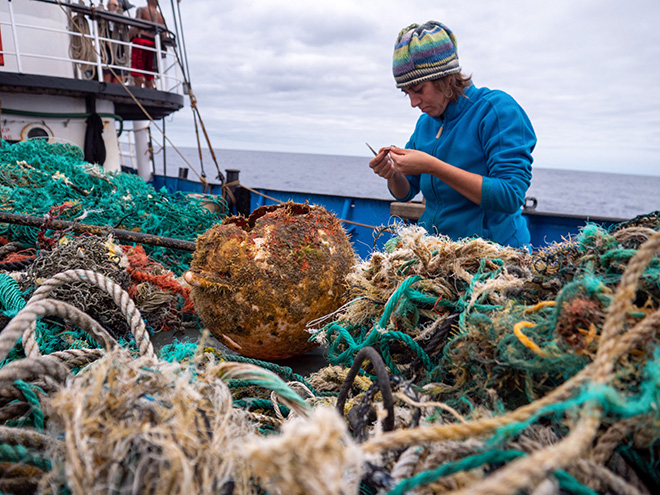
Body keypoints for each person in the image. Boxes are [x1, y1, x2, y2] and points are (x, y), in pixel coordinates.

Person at [369, 21, 536, 249]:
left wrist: (433, 166)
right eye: (406, 93)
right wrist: (391, 174)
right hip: (437, 251)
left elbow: (510, 196)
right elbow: (405, 191)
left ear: (446, 78)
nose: (413, 103)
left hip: (492, 254)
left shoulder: (496, 111)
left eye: (418, 90)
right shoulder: (425, 123)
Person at [129, 0, 165, 88]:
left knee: (137, 72)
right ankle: (150, 91)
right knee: (149, 75)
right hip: (153, 46)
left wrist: (126, 39)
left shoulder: (142, 10)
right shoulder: (161, 16)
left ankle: (138, 90)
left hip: (141, 42)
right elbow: (164, 34)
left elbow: (135, 28)